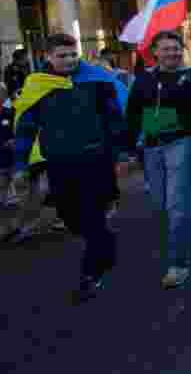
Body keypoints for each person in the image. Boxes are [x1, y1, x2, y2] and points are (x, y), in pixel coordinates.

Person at [12, 33, 129, 304]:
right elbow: (26, 129)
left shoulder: (98, 82)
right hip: (60, 163)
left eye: (73, 54)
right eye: (62, 55)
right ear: (48, 57)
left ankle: (91, 273)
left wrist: (121, 153)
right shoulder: (37, 85)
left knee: (92, 214)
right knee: (69, 216)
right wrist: (20, 165)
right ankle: (103, 241)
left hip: (96, 160)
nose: (69, 60)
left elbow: (114, 120)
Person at [125, 30, 191, 289]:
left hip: (181, 144)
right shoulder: (142, 79)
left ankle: (178, 264)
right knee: (162, 202)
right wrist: (127, 149)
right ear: (154, 52)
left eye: (176, 48)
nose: (172, 52)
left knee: (175, 206)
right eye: (166, 49)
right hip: (152, 146)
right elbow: (133, 114)